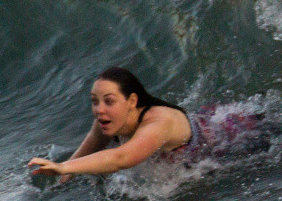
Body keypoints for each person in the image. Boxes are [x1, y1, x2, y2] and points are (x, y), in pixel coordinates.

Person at [27, 66, 196, 183]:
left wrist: (63, 167)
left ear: (131, 101)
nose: (100, 110)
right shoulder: (108, 120)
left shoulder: (159, 122)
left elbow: (121, 158)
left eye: (109, 101)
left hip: (208, 145)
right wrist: (63, 179)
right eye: (95, 101)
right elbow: (83, 154)